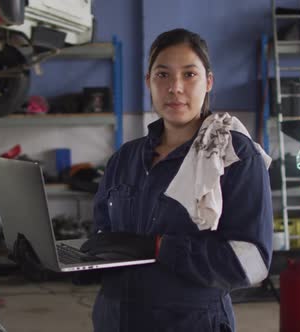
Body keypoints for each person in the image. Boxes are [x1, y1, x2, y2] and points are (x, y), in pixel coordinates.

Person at [80, 28, 273, 332]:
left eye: (189, 75)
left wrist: (159, 246)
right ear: (149, 82)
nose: (175, 88)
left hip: (190, 323)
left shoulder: (233, 157)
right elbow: (104, 239)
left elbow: (252, 263)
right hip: (116, 321)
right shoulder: (125, 159)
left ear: (208, 82)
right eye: (163, 75)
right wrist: (64, 264)